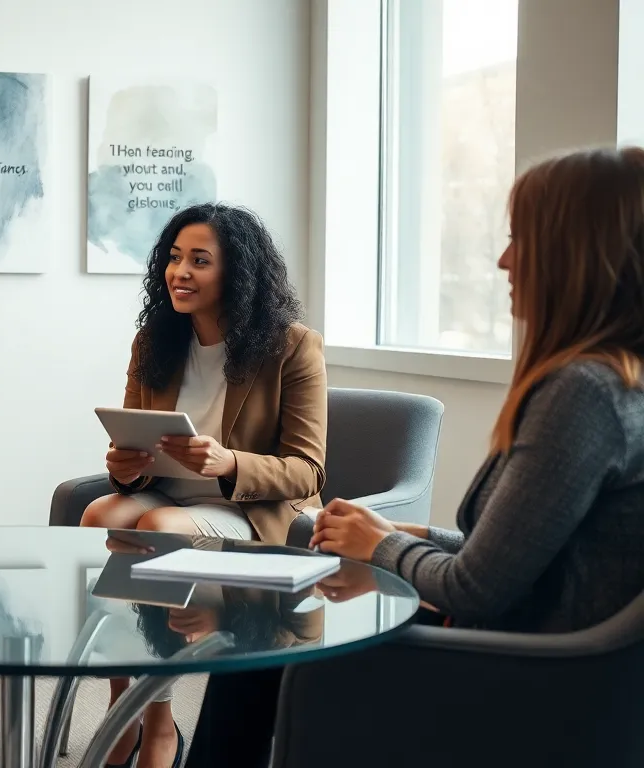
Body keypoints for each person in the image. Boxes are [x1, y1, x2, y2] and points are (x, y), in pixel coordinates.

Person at [197, 145, 644, 768]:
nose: (503, 259)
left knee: (261, 640)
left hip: (520, 680)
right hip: (557, 666)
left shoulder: (584, 396)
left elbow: (477, 589)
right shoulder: (620, 386)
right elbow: (541, 556)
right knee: (267, 620)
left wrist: (380, 546)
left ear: (577, 256)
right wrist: (408, 534)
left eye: (521, 239)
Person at [79, 203, 326, 768]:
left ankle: (159, 728)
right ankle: (130, 714)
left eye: (199, 261)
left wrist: (228, 462)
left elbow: (308, 469)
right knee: (99, 515)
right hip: (167, 497)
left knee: (155, 526)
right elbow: (133, 460)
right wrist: (124, 466)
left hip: (249, 511)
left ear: (236, 273)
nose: (179, 272)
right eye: (172, 258)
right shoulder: (155, 342)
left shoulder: (292, 347)